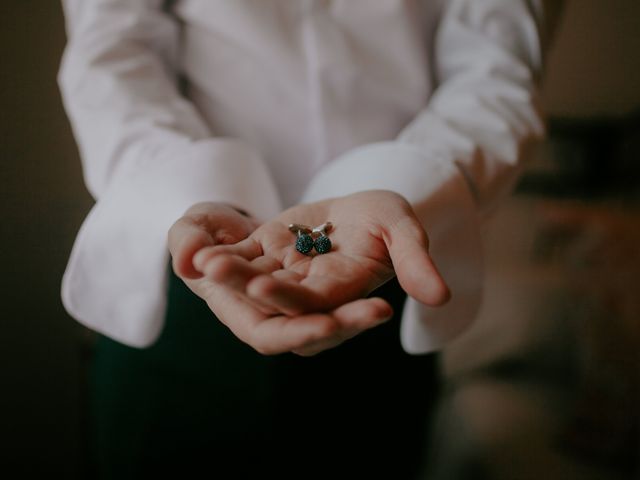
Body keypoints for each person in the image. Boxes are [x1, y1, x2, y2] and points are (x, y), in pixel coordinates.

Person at [58, 1, 550, 478]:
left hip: (385, 273)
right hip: (189, 278)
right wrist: (198, 190)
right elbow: (111, 54)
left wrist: (397, 183)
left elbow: (494, 70)